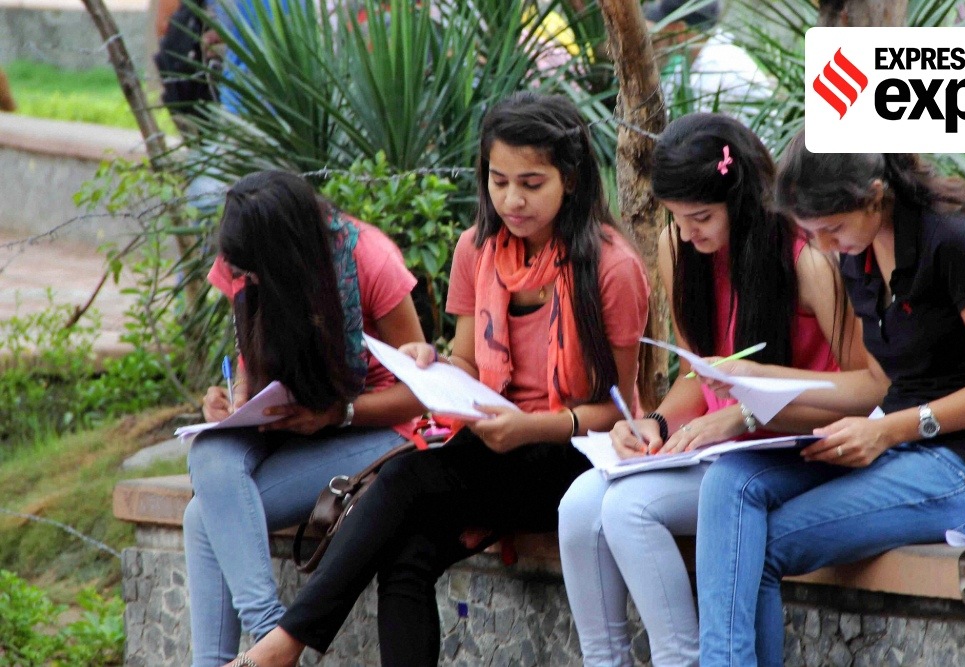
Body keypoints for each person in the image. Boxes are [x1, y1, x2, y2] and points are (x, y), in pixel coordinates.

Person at [225, 91, 651, 667]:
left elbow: (622, 410)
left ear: (570, 179)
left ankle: (284, 644)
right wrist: (436, 364)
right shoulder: (477, 250)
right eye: (498, 181)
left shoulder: (610, 266)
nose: (511, 199)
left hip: (573, 453)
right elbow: (471, 366)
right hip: (493, 445)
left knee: (403, 481)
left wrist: (530, 427)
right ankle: (284, 646)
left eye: (531, 183)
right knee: (406, 555)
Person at [694, 133, 965, 665]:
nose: (825, 247)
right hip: (896, 445)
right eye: (811, 233)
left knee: (755, 545)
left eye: (831, 228)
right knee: (729, 481)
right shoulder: (860, 255)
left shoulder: (952, 243)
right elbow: (873, 383)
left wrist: (887, 431)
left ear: (875, 195)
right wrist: (759, 376)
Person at [557, 113, 867, 667]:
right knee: (579, 505)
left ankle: (685, 660)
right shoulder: (683, 252)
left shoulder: (806, 258)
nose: (687, 232)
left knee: (630, 510)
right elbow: (697, 376)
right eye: (675, 218)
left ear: (741, 199)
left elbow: (865, 389)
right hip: (716, 449)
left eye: (700, 217)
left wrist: (745, 416)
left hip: (789, 448)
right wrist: (654, 425)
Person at [184, 170, 428, 666]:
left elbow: (420, 396)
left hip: (374, 426)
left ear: (286, 252)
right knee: (210, 451)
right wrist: (233, 402)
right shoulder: (243, 261)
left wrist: (338, 413)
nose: (245, 281)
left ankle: (260, 648)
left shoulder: (368, 260)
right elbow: (254, 354)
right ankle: (269, 631)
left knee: (201, 515)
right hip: (282, 419)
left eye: (255, 272)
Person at [643, 0, 772, 119]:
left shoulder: (717, 67)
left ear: (680, 30)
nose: (657, 33)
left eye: (662, 27)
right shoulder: (688, 64)